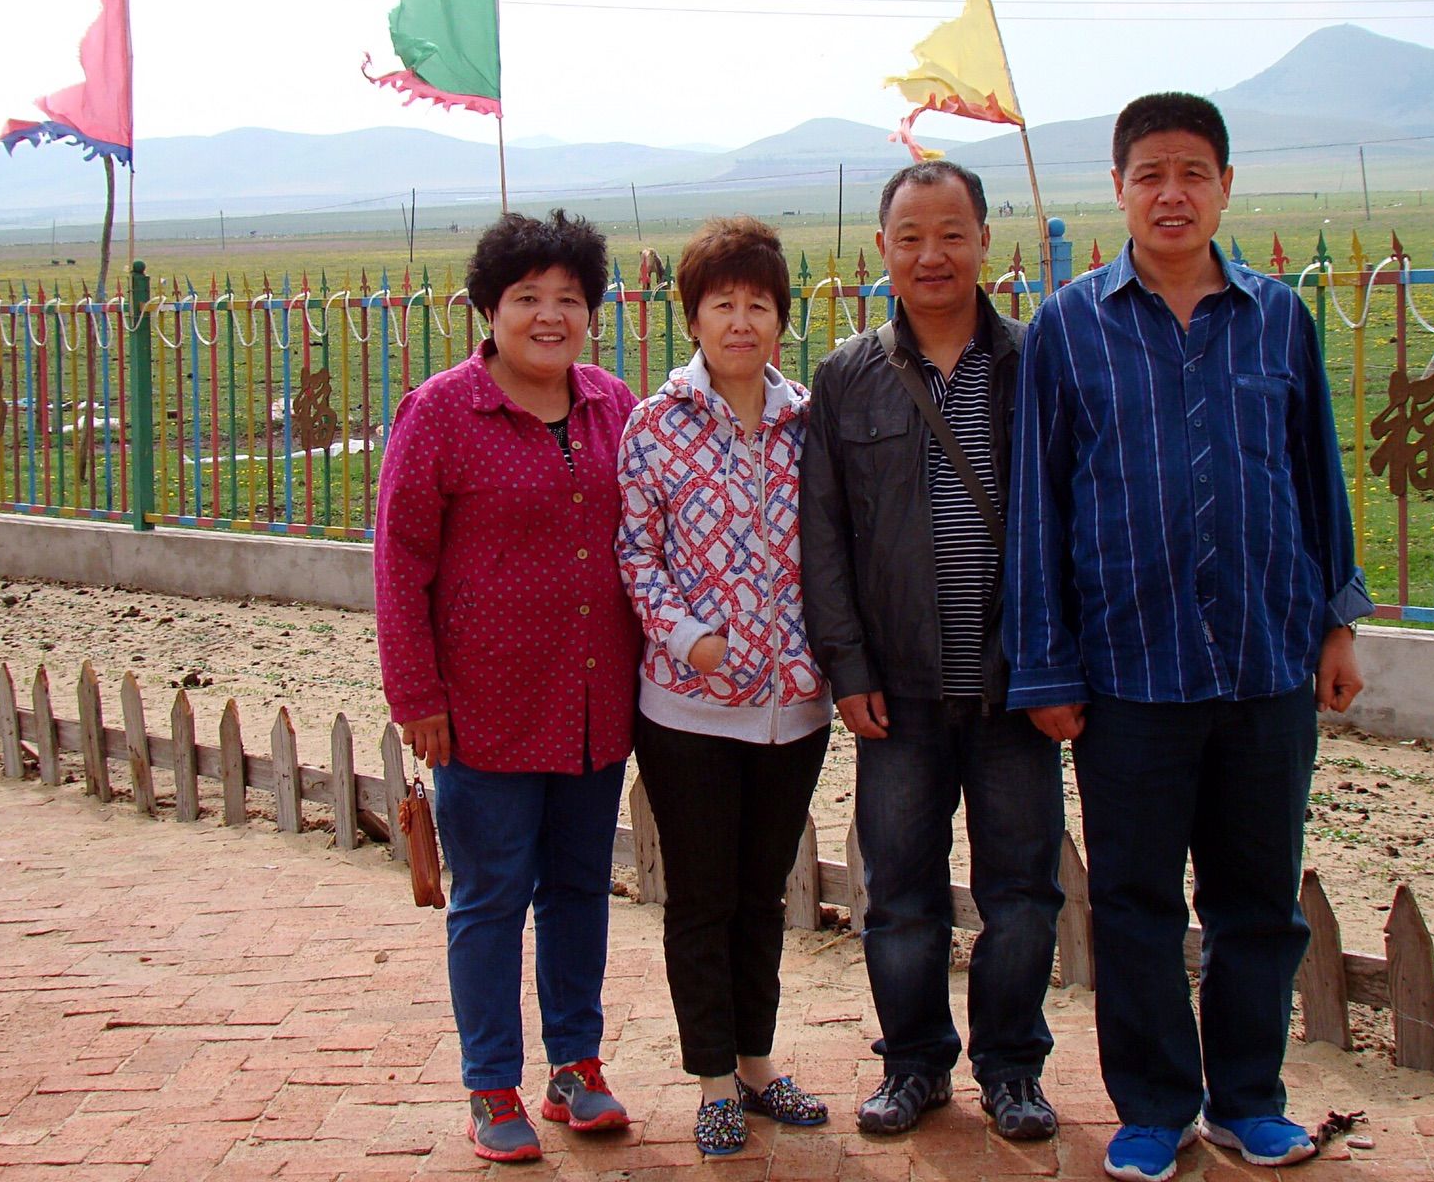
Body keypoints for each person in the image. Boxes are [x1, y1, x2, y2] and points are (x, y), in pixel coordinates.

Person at [1006, 93, 1372, 1182]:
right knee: (1133, 902)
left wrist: (1337, 622)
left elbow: (1317, 477)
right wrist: (1050, 662)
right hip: (1128, 674)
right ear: (1118, 188)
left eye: (1194, 173)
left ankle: (1248, 1099)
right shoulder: (1071, 326)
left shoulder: (1278, 318)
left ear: (1223, 186)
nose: (1173, 193)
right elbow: (1040, 506)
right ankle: (1155, 1107)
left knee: (1259, 898)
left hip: (1267, 659)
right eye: (1151, 173)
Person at [802, 160, 1065, 1142]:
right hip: (899, 694)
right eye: (911, 237)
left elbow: (1070, 520)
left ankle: (1012, 1068)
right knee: (901, 897)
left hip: (1015, 686)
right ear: (884, 252)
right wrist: (849, 667)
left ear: (985, 242)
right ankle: (913, 1064)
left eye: (951, 233)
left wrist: (1058, 661)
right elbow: (822, 536)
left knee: (1026, 897)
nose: (932, 254)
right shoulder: (846, 378)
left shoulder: (1037, 364)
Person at [374, 209, 641, 1164]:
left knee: (578, 889)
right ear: (489, 309)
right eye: (526, 297)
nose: (548, 315)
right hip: (482, 709)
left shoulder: (613, 405)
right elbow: (400, 562)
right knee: (490, 897)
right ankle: (492, 1084)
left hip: (595, 701)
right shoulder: (442, 412)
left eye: (568, 298)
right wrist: (417, 695)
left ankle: (577, 1064)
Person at [617, 215, 834, 1156]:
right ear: (693, 318)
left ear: (780, 320)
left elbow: (839, 546)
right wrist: (691, 639)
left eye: (759, 304)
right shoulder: (656, 425)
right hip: (690, 708)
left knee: (762, 894)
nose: (741, 321)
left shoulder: (809, 423)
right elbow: (638, 556)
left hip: (796, 708)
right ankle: (710, 1079)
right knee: (703, 898)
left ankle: (756, 1064)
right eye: (722, 303)